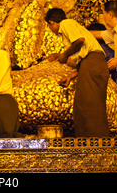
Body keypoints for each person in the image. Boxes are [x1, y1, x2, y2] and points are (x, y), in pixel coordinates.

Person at [45, 7, 110, 138]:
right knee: (88, 104)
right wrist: (70, 75)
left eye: (49, 26)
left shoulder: (66, 23)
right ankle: (93, 142)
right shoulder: (69, 28)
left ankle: (93, 144)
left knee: (87, 106)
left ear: (52, 23)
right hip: (91, 64)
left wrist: (64, 54)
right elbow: (81, 58)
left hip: (93, 63)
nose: (51, 30)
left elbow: (80, 41)